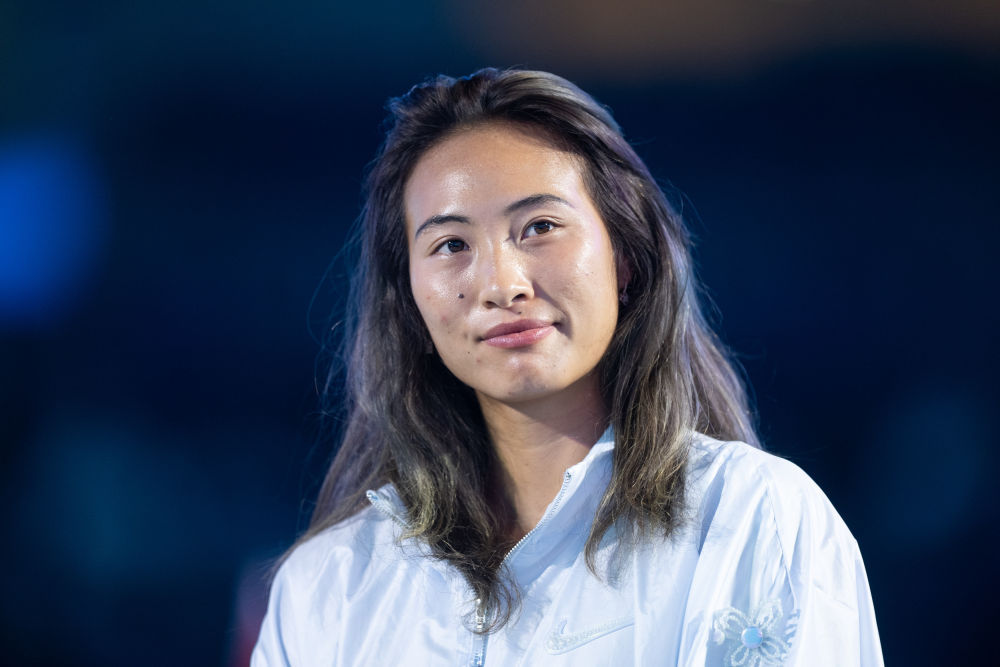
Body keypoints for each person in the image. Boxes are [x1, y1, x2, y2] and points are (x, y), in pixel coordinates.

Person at [251, 68, 883, 666]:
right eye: (451, 244)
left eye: (540, 226)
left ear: (626, 257)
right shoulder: (325, 590)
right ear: (410, 299)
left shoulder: (751, 518)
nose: (501, 284)